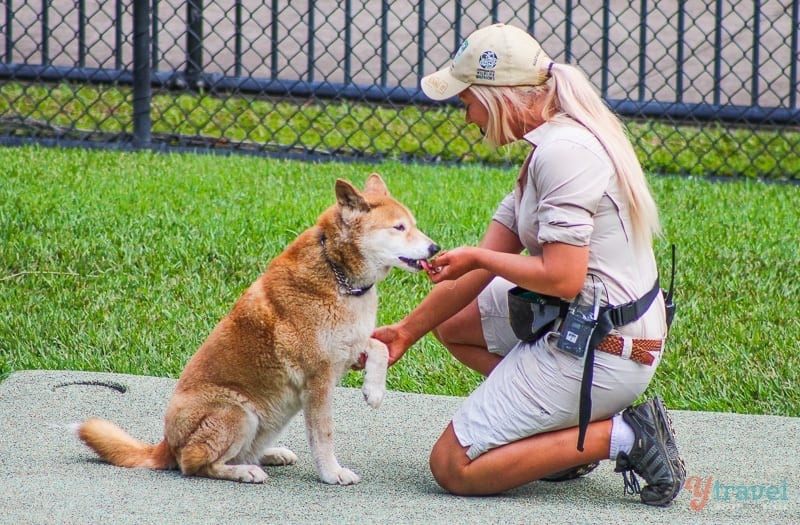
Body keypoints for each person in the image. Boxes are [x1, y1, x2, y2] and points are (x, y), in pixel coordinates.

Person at [372, 23, 686, 506]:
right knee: (454, 322)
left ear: (495, 95)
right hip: (593, 322)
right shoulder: (549, 145)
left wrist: (479, 257)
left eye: (465, 100)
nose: (466, 114)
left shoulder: (563, 154)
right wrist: (405, 333)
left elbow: (563, 278)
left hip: (609, 348)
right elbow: (482, 271)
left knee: (454, 467)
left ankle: (627, 436)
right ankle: (559, 444)